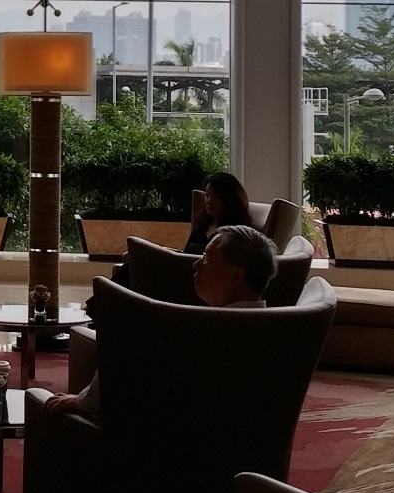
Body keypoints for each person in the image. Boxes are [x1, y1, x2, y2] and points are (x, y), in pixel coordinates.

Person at [47, 224, 279, 416]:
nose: (196, 264)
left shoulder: (192, 328)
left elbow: (120, 371)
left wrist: (81, 401)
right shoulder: (280, 333)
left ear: (237, 275)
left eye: (207, 259)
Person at [185, 171, 257, 253]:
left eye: (215, 196)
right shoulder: (200, 230)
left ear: (228, 199)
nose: (209, 201)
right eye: (207, 195)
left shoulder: (236, 236)